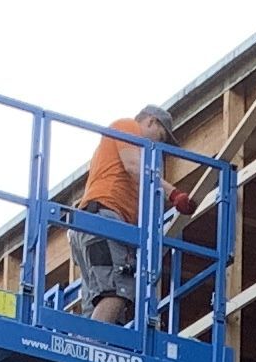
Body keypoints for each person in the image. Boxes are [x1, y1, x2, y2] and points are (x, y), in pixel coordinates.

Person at [66, 105, 179, 322]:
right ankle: (94, 349)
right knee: (116, 292)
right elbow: (134, 166)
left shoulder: (125, 153)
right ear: (151, 122)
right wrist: (173, 193)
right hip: (103, 220)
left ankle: (91, 348)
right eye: (161, 137)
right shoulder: (127, 126)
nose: (159, 144)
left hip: (93, 224)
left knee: (98, 301)